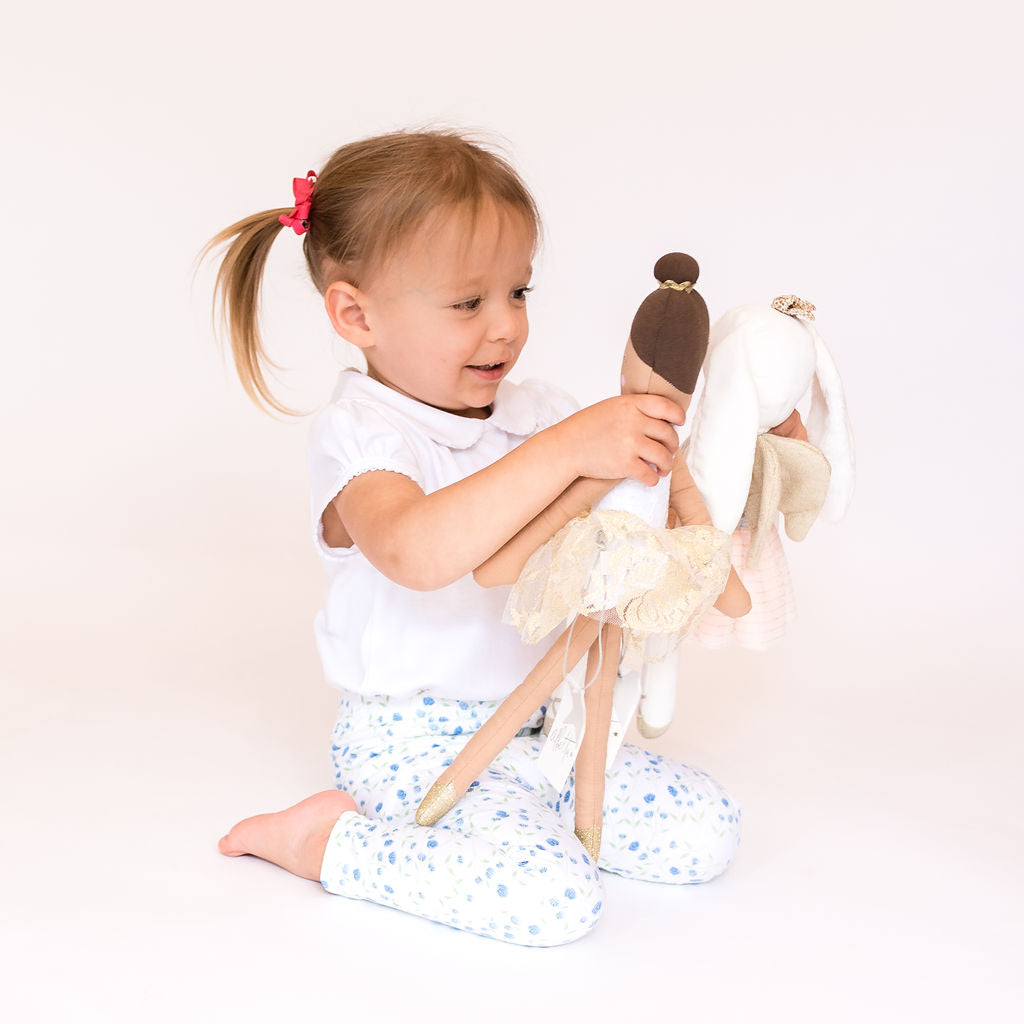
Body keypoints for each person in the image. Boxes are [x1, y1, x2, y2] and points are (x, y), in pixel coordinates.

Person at [208, 129, 741, 947]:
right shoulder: (364, 435)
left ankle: (521, 813)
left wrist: (710, 451)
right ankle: (328, 844)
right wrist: (570, 449)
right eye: (468, 303)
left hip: (543, 725)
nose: (506, 327)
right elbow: (417, 552)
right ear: (356, 315)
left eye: (518, 292)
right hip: (410, 742)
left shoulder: (538, 412)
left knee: (708, 832)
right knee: (553, 902)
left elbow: (628, 514)